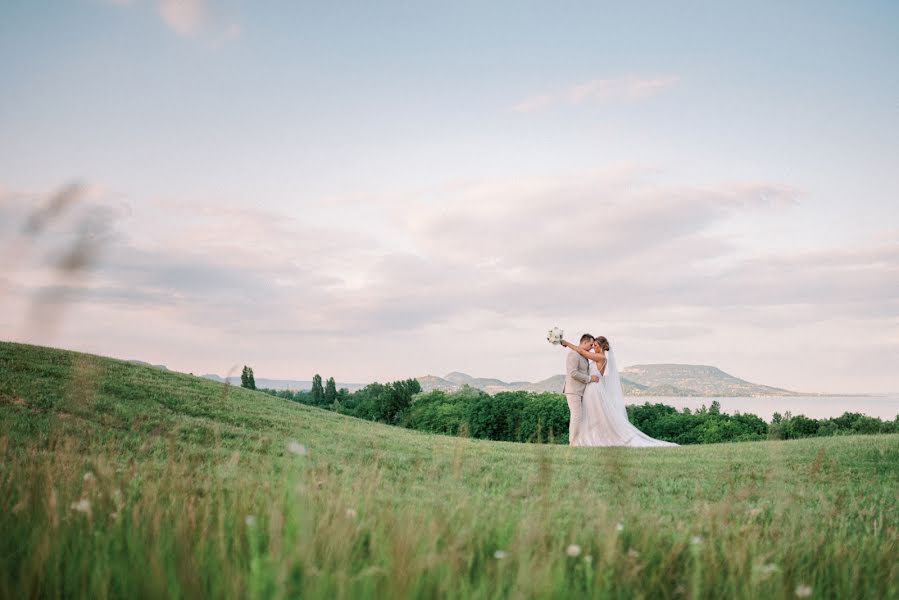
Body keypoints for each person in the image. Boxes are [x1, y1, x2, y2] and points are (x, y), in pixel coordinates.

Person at [560, 336, 678, 447]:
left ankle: (588, 438)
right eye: (592, 345)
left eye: (595, 345)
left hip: (594, 389)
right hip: (590, 388)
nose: (593, 347)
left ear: (601, 347)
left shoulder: (601, 357)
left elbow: (582, 352)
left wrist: (567, 343)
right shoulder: (596, 356)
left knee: (595, 414)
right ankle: (585, 437)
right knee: (589, 415)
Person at [561, 333, 600, 445]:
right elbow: (573, 373)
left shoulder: (583, 355)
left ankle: (579, 441)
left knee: (581, 417)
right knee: (576, 416)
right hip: (573, 391)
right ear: (584, 342)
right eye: (591, 344)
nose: (592, 347)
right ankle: (573, 443)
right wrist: (589, 378)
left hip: (581, 391)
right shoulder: (573, 354)